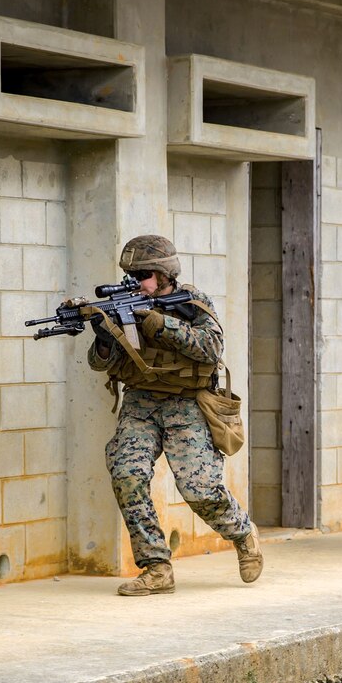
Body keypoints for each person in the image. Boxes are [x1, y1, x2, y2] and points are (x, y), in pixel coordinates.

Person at [88, 234, 262, 595]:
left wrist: (159, 324)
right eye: (132, 276)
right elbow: (99, 363)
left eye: (144, 275)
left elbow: (210, 347)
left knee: (199, 489)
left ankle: (243, 533)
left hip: (188, 403)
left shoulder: (193, 302)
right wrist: (104, 339)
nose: (136, 283)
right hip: (141, 403)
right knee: (126, 473)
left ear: (164, 273)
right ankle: (156, 567)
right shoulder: (127, 304)